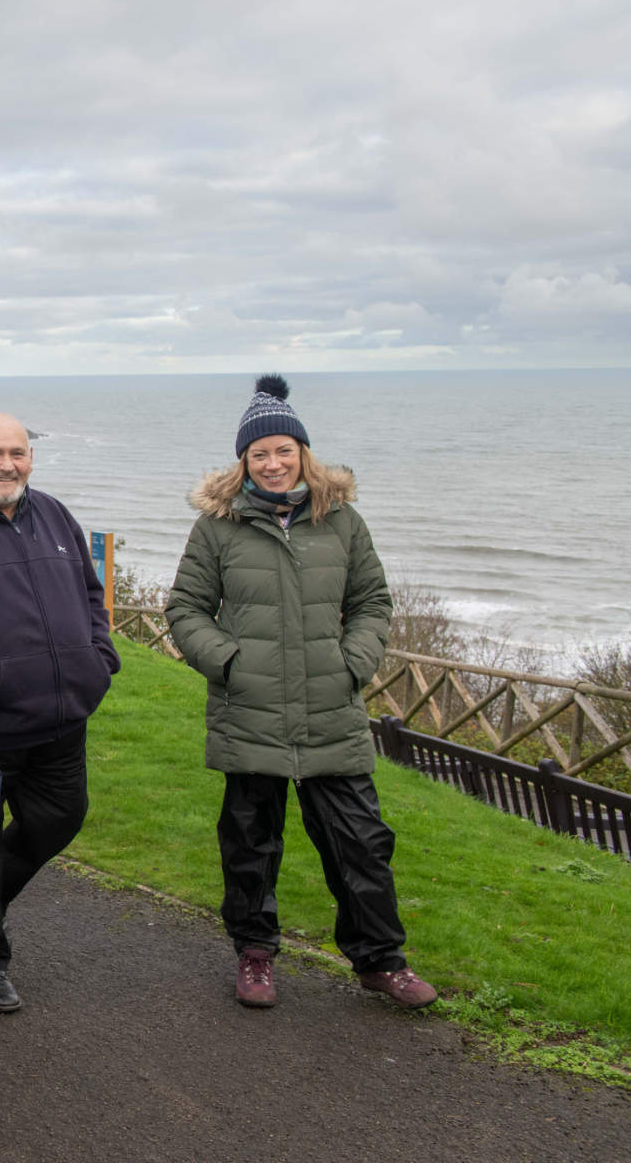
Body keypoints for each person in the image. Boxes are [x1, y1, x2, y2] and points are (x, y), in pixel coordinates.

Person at [164, 375, 436, 1011]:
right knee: (251, 844)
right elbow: (186, 608)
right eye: (259, 454)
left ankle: (381, 962)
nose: (273, 463)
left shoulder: (341, 522)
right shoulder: (218, 527)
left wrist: (356, 661)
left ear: (303, 453)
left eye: (283, 450)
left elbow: (371, 601)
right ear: (244, 462)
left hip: (330, 708)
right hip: (249, 710)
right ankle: (255, 956)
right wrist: (227, 662)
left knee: (361, 842)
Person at [0, 412, 119, 1014]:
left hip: (63, 715)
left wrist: (99, 655)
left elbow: (91, 592)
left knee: (61, 818)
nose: (6, 464)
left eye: (18, 452)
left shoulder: (54, 513)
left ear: (31, 457)